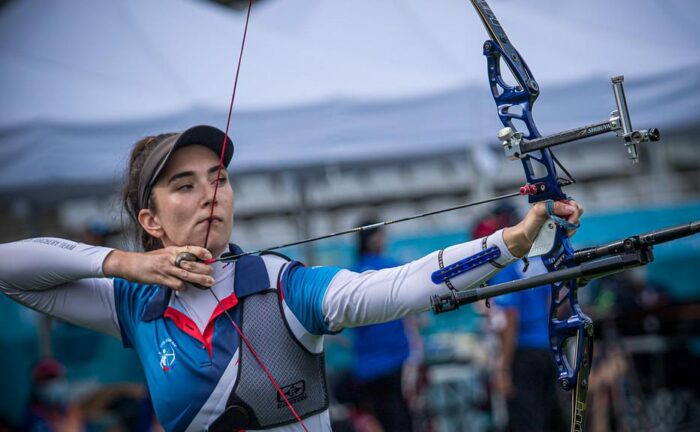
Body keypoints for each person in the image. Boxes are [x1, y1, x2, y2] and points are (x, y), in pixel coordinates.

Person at [0, 125, 582, 432]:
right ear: (150, 220)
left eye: (218, 177)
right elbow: (12, 272)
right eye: (185, 185)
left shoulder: (281, 285)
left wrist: (513, 240)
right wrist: (129, 263)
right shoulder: (135, 304)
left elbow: (400, 286)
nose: (210, 195)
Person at [474, 206, 568, 432]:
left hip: (522, 353)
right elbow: (556, 302)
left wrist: (503, 368)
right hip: (547, 349)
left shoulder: (505, 264)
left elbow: (509, 318)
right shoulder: (536, 258)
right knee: (550, 418)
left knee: (526, 422)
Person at [348, 219, 418, 431]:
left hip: (367, 364)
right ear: (374, 239)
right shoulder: (392, 268)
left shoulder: (352, 273)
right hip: (396, 358)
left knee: (381, 417)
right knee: (402, 416)